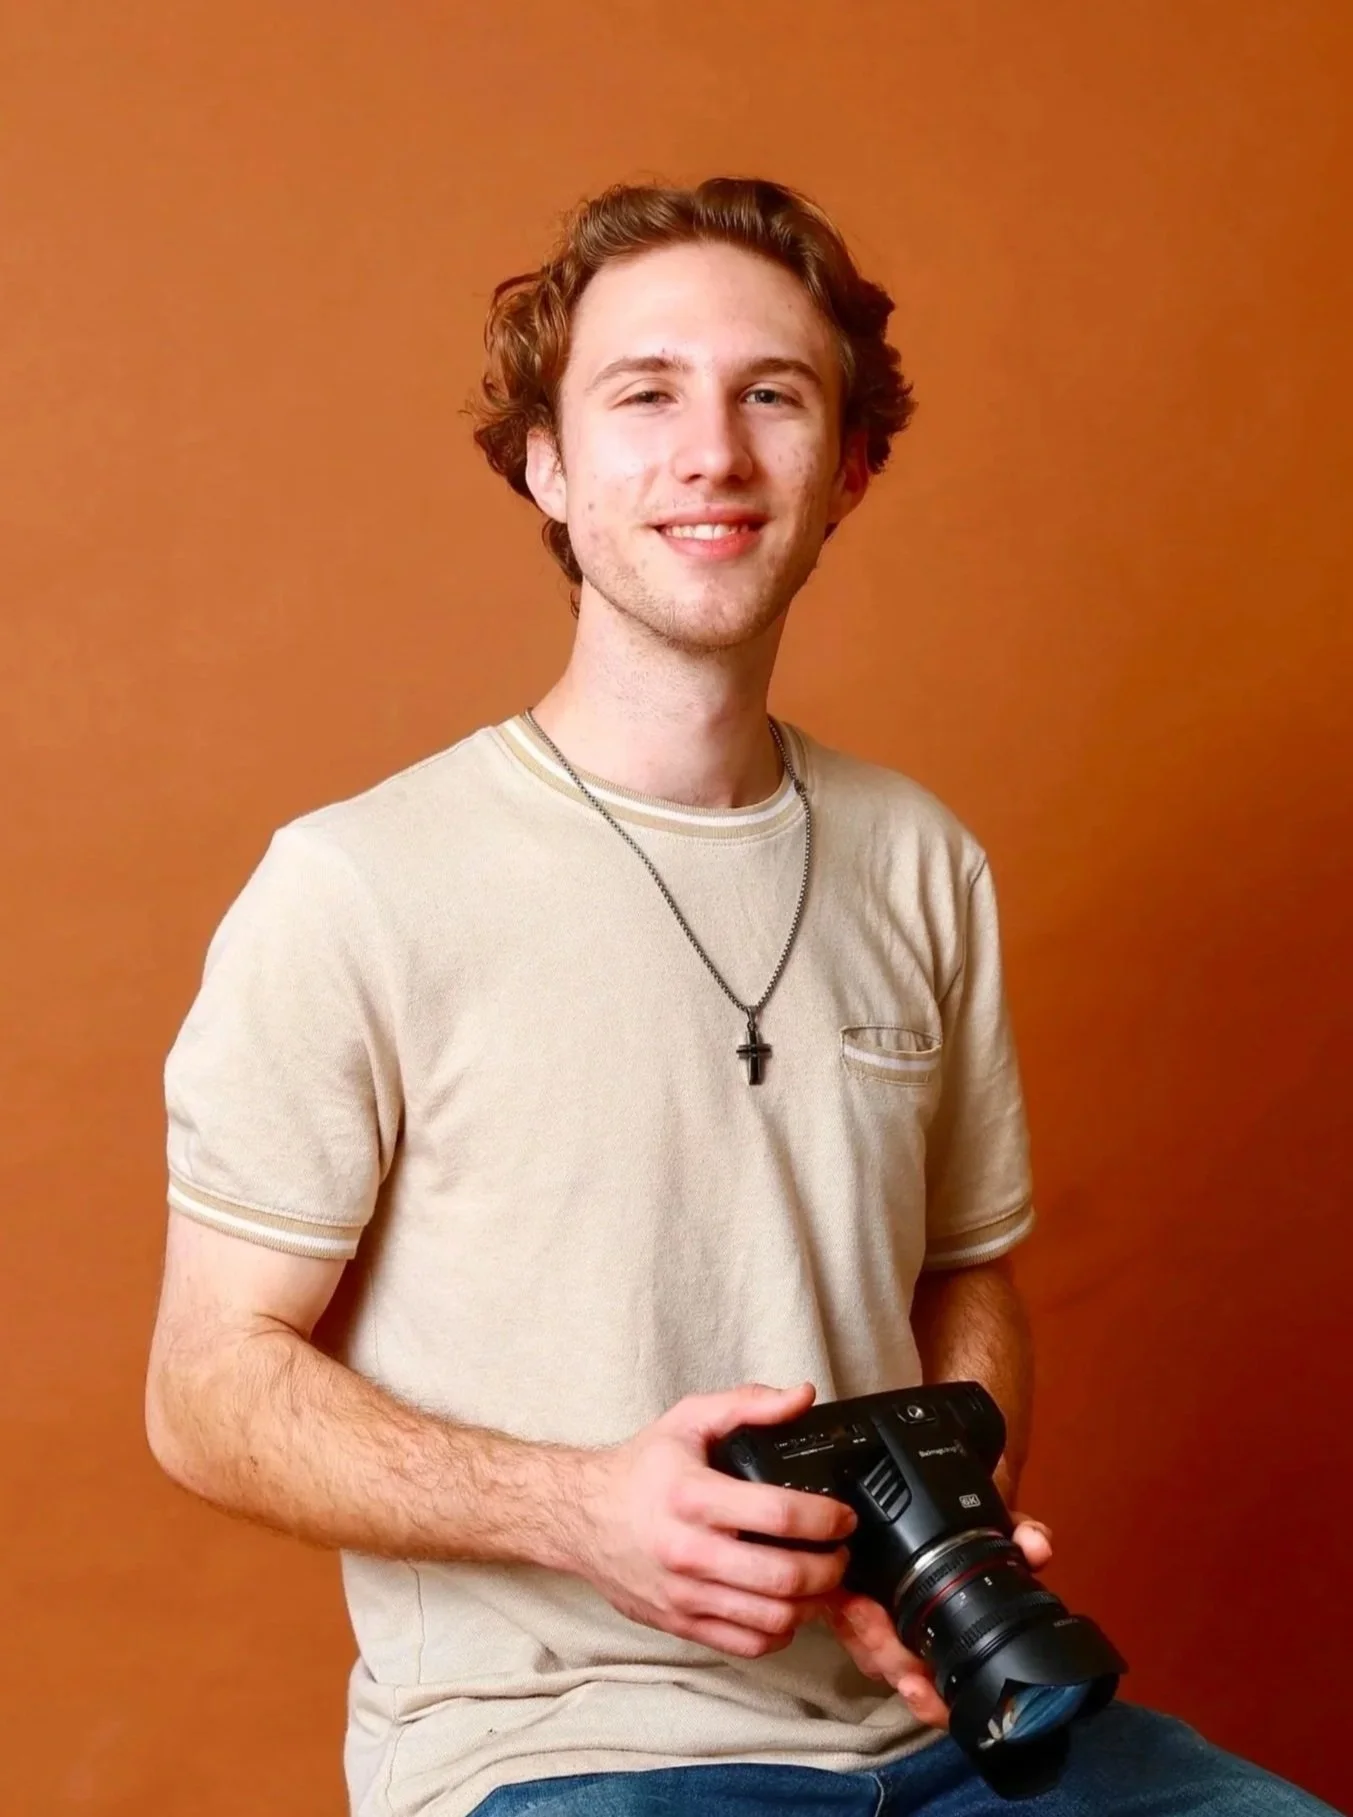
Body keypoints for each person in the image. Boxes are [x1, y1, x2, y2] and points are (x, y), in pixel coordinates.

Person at [145, 178, 1336, 1817]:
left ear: (847, 468)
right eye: (645, 395)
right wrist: (582, 1511)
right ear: (547, 463)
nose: (711, 453)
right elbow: (208, 1388)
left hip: (942, 1734)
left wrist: (944, 1528)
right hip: (560, 1758)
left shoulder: (920, 858)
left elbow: (963, 1272)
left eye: (771, 395)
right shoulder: (356, 884)